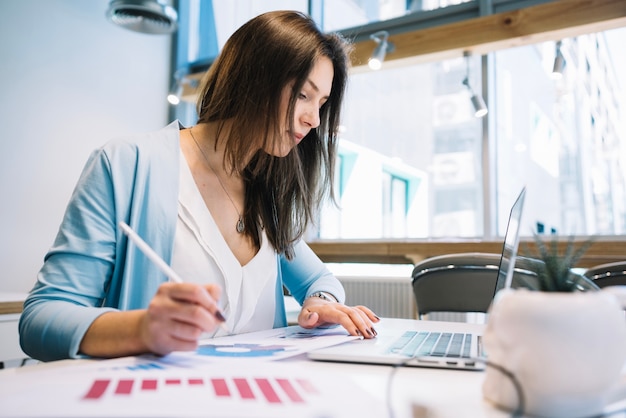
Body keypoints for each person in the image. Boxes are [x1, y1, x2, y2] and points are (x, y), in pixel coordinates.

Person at [19, 10, 379, 362]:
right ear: (254, 78)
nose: (313, 119)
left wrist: (321, 304)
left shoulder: (267, 191)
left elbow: (320, 279)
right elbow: (41, 318)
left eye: (322, 103)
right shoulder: (125, 164)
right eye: (303, 94)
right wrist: (141, 329)